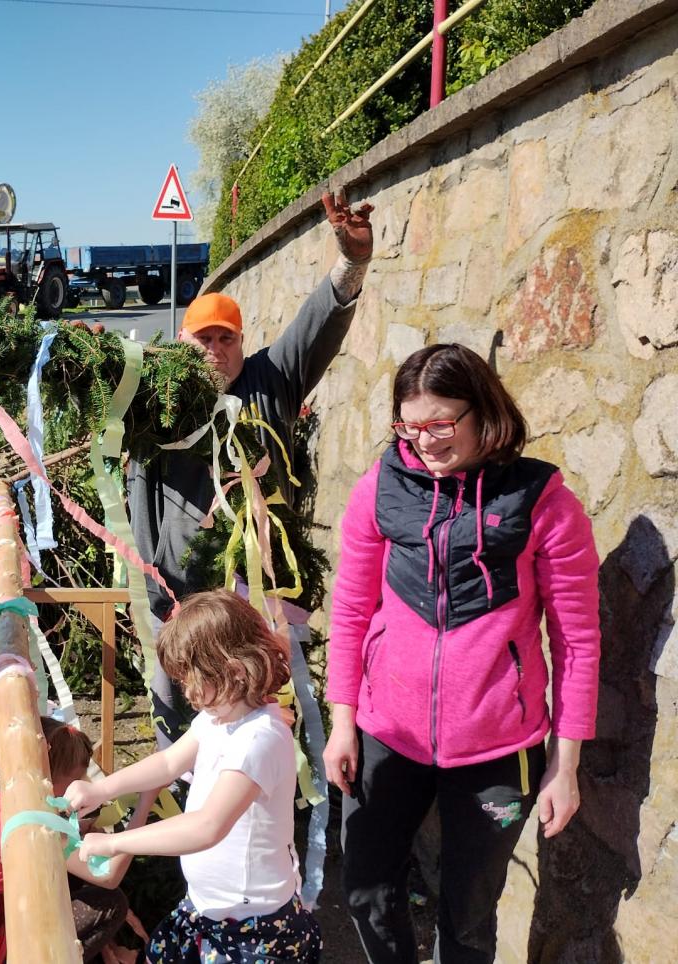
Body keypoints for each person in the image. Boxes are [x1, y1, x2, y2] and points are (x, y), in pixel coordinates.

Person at [322, 343, 601, 964]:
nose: (424, 441)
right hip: (386, 735)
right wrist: (343, 722)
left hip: (499, 751)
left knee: (469, 917)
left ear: (483, 413)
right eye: (409, 427)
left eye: (441, 424)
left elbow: (577, 641)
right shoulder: (380, 490)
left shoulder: (544, 502)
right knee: (366, 890)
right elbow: (351, 610)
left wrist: (565, 765)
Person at [129, 189, 373, 748]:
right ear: (182, 341)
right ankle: (187, 796)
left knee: (264, 722)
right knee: (181, 724)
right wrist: (157, 593)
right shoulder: (157, 400)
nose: (215, 349)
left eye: (226, 338)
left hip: (257, 601)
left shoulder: (273, 379)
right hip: (182, 600)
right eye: (204, 339)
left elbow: (317, 325)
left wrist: (352, 261)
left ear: (242, 341)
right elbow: (136, 490)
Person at [66, 590, 321, 964]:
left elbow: (207, 827)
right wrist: (100, 789)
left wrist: (116, 843)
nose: (186, 691)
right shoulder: (218, 718)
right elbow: (169, 763)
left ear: (234, 668)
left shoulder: (259, 739)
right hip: (205, 909)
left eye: (192, 677)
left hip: (251, 928)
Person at [0, 717, 159, 963]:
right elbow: (108, 876)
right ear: (49, 781)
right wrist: (145, 803)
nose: (81, 789)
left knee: (69, 871)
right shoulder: (34, 822)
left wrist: (75, 829)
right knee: (111, 903)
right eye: (76, 783)